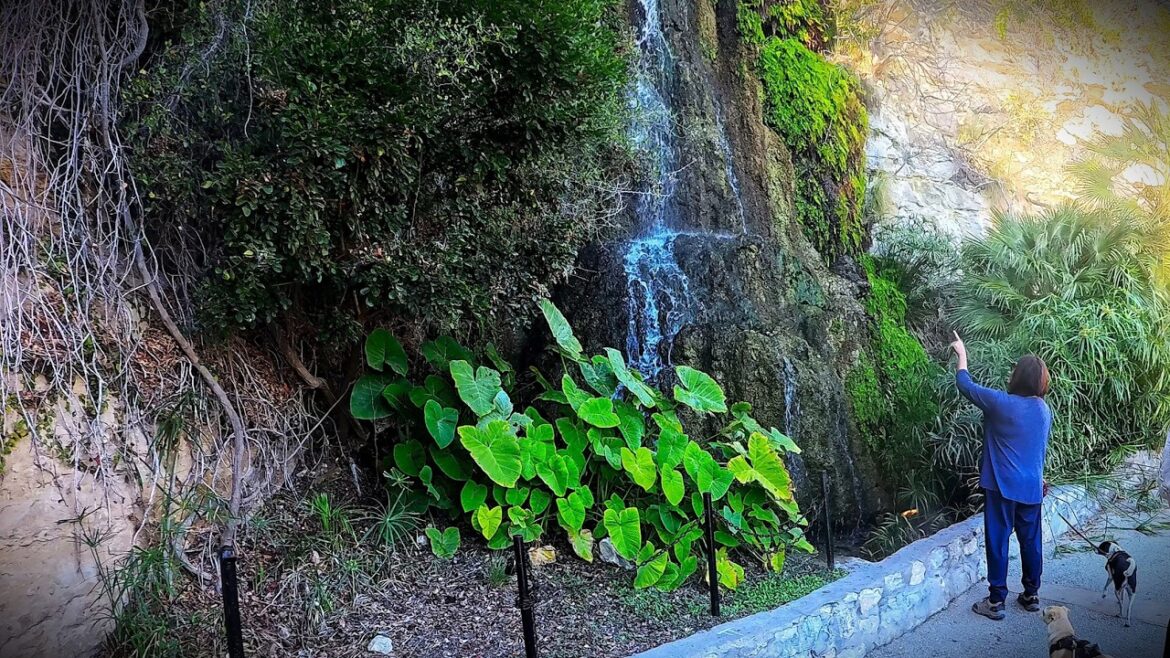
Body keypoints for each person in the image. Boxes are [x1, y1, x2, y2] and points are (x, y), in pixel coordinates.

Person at [950, 332, 1052, 620]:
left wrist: (962, 355)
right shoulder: (1044, 410)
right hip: (1032, 487)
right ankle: (1031, 595)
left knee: (998, 541)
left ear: (1017, 377)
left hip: (1001, 487)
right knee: (1031, 542)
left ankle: (996, 602)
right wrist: (1040, 478)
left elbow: (964, 384)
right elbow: (1038, 449)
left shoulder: (1001, 402)